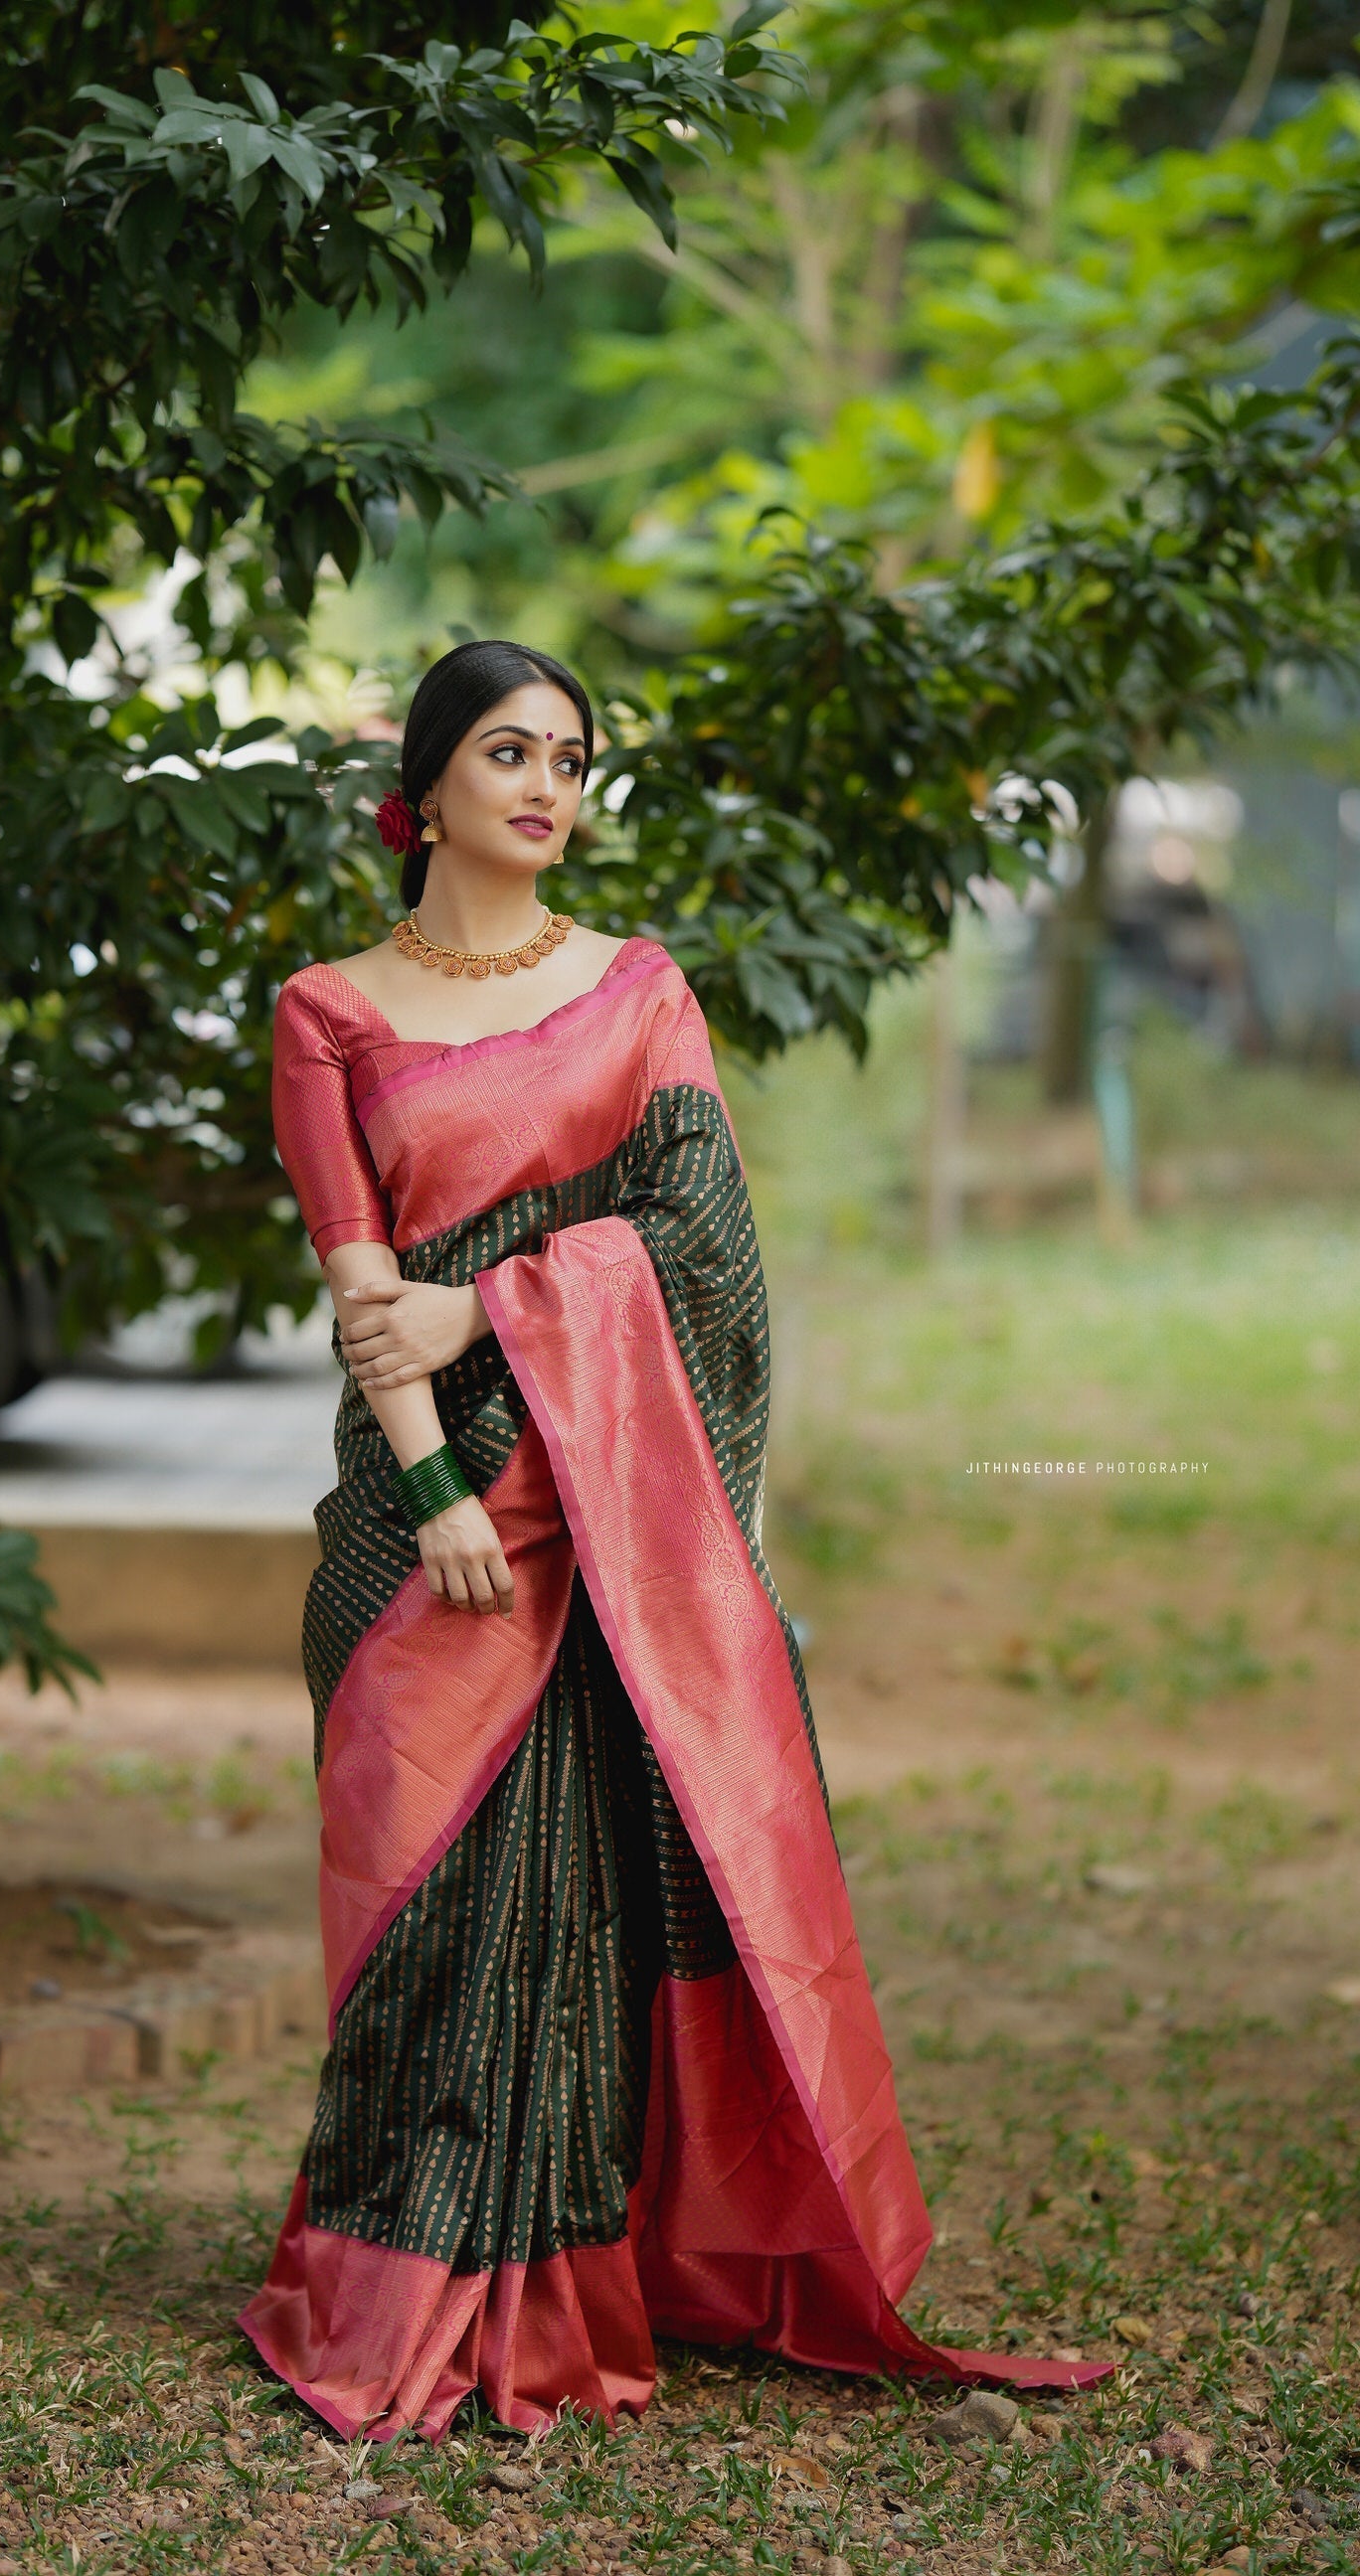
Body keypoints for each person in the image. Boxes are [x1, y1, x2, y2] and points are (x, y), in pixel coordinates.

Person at [240, 638, 1102, 2441]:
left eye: (571, 757)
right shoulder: (330, 1007)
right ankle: (407, 2269)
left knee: (580, 1902)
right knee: (433, 1890)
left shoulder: (639, 994)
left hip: (604, 1509)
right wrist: (433, 1491)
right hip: (429, 1524)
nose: (547, 786)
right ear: (426, 786)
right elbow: (360, 1286)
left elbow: (698, 1240)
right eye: (507, 753)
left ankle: (558, 2274)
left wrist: (498, 1317)